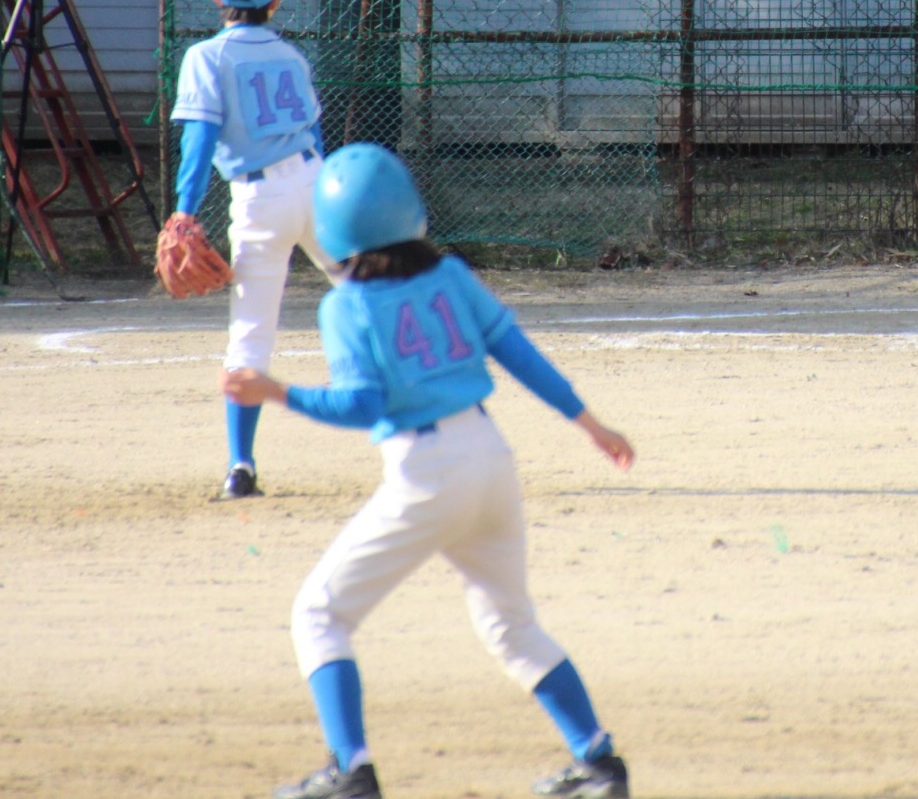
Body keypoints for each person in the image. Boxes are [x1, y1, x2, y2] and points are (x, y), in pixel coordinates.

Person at [223, 143, 637, 799]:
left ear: (332, 228)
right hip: (491, 459)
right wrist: (591, 424)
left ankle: (351, 771)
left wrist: (276, 392)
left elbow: (364, 405)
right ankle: (600, 765)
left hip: (427, 473)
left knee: (319, 615)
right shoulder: (450, 275)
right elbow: (517, 352)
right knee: (512, 626)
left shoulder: (346, 305)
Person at [171, 0, 336, 500]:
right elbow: (315, 137)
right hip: (315, 184)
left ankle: (240, 467)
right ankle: (435, 425)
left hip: (259, 200)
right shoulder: (292, 56)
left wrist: (185, 210)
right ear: (277, 2)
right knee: (374, 296)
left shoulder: (206, 56)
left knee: (250, 333)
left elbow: (199, 142)